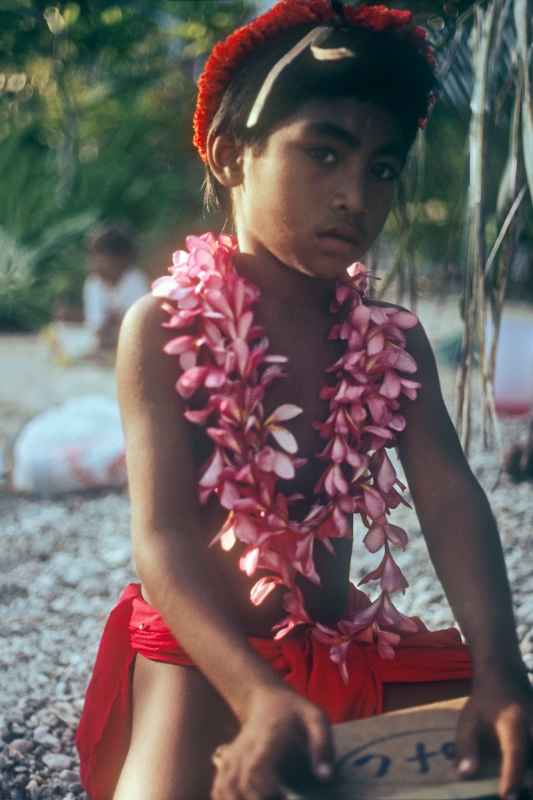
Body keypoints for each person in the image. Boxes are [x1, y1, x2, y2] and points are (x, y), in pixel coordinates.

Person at [76, 2, 533, 798]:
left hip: (344, 645)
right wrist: (255, 693)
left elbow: (450, 497)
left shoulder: (388, 336)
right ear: (230, 156)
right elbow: (163, 536)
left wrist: (500, 666)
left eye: (381, 168)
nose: (355, 194)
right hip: (202, 656)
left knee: (506, 751)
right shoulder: (165, 327)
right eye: (322, 153)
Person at [83, 224, 148, 352]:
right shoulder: (93, 284)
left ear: (121, 258)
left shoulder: (135, 281)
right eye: (93, 255)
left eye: (101, 256)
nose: (94, 262)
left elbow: (138, 329)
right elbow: (97, 329)